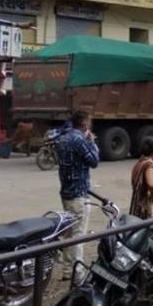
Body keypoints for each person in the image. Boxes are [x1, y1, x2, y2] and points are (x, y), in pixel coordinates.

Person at [54, 110, 100, 277]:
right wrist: (92, 142)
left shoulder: (62, 138)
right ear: (85, 124)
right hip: (79, 193)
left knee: (68, 232)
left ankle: (67, 269)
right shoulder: (79, 140)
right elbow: (94, 161)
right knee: (78, 235)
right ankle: (77, 272)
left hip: (65, 192)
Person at [128, 138, 153, 219]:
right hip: (145, 208)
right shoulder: (148, 165)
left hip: (137, 204)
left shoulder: (139, 163)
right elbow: (151, 184)